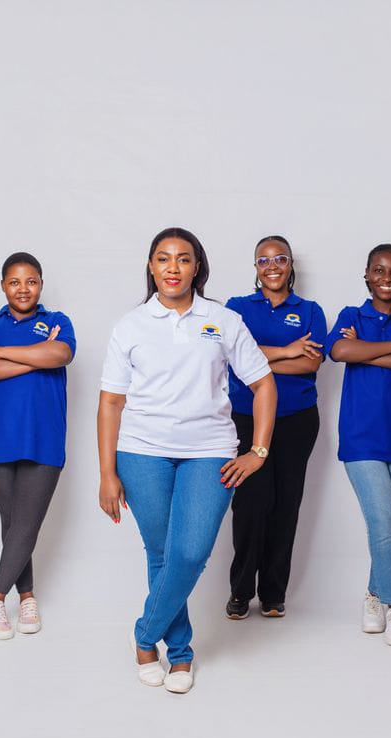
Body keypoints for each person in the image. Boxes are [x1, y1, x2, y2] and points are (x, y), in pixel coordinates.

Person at [97, 227, 276, 693]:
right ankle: (179, 654)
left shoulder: (223, 320)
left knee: (190, 552)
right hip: (141, 452)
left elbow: (263, 383)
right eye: (163, 258)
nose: (173, 268)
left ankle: (144, 635)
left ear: (197, 267)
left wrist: (257, 451)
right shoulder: (130, 325)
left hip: (209, 451)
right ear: (151, 266)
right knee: (162, 553)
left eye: (183, 258)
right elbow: (111, 402)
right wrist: (107, 473)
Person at [325, 243, 391, 646]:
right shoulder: (351, 316)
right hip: (362, 437)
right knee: (385, 522)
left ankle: (373, 595)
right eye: (379, 270)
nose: (387, 278)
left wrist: (367, 352)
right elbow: (339, 350)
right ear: (367, 274)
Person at [0, 252, 76, 640]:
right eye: (15, 282)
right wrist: (36, 357)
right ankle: (26, 596)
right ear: (3, 286)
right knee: (13, 524)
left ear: (40, 284)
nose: (23, 289)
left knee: (27, 522)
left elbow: (61, 353)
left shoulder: (58, 321)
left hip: (45, 437)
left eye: (31, 281)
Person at [225, 235, 326, 620]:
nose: (272, 266)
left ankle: (273, 593)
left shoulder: (310, 310)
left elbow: (311, 363)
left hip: (297, 419)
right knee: (251, 503)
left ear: (290, 265)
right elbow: (231, 357)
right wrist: (286, 351)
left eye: (280, 259)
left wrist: (255, 356)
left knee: (285, 504)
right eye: (264, 260)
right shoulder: (236, 308)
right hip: (245, 417)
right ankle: (240, 591)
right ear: (255, 267)